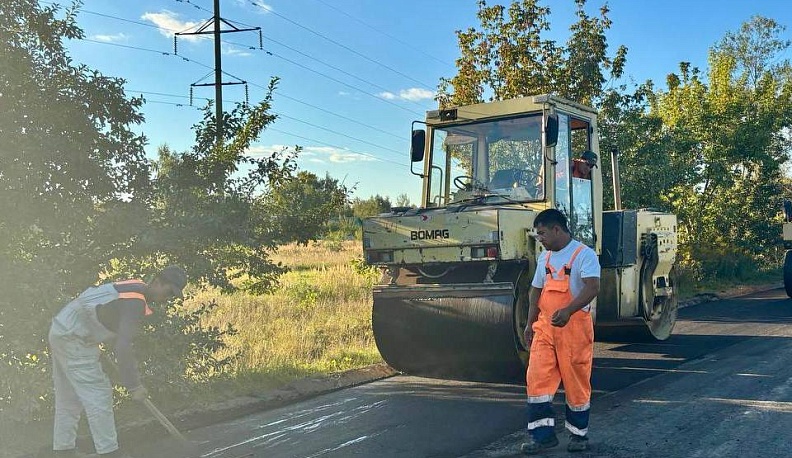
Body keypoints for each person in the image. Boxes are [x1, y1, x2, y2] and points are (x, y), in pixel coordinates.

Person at [48, 266, 188, 457]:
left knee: (69, 399)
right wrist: (134, 386)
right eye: (169, 291)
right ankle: (109, 452)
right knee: (99, 396)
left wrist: (93, 334)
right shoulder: (135, 302)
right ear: (157, 281)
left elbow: (107, 315)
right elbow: (123, 346)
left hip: (63, 329)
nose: (168, 298)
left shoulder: (135, 287)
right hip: (75, 337)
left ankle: (63, 451)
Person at [521, 209, 600, 455]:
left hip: (574, 329)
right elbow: (535, 291)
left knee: (576, 381)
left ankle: (578, 436)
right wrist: (528, 322)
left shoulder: (583, 255)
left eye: (542, 233)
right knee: (537, 379)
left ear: (557, 229)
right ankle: (542, 437)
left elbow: (592, 287)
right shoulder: (545, 259)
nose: (540, 238)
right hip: (545, 328)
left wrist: (568, 311)